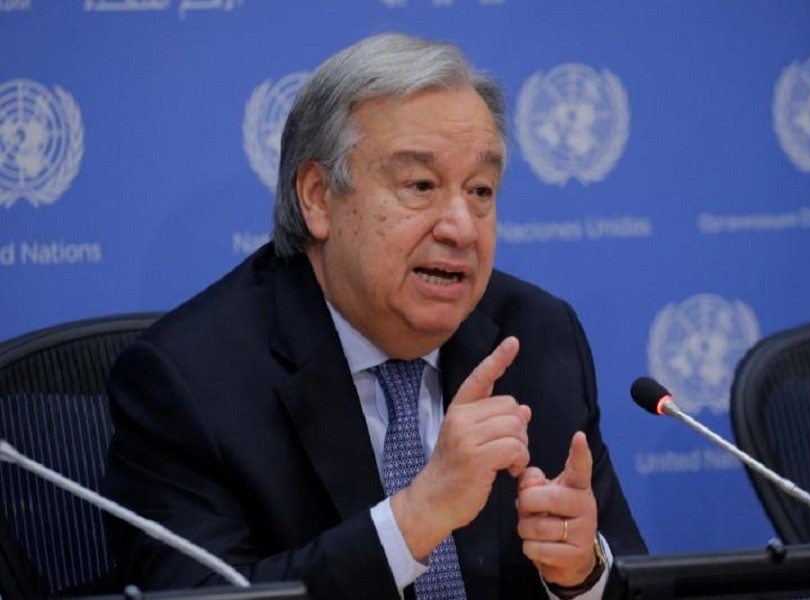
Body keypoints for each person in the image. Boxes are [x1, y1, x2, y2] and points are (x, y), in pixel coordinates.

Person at [103, 32, 646, 600]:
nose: (461, 227)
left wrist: (582, 573)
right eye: (420, 185)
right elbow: (200, 595)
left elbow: (630, 576)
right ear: (317, 197)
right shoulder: (188, 380)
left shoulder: (534, 333)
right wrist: (418, 515)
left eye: (481, 190)